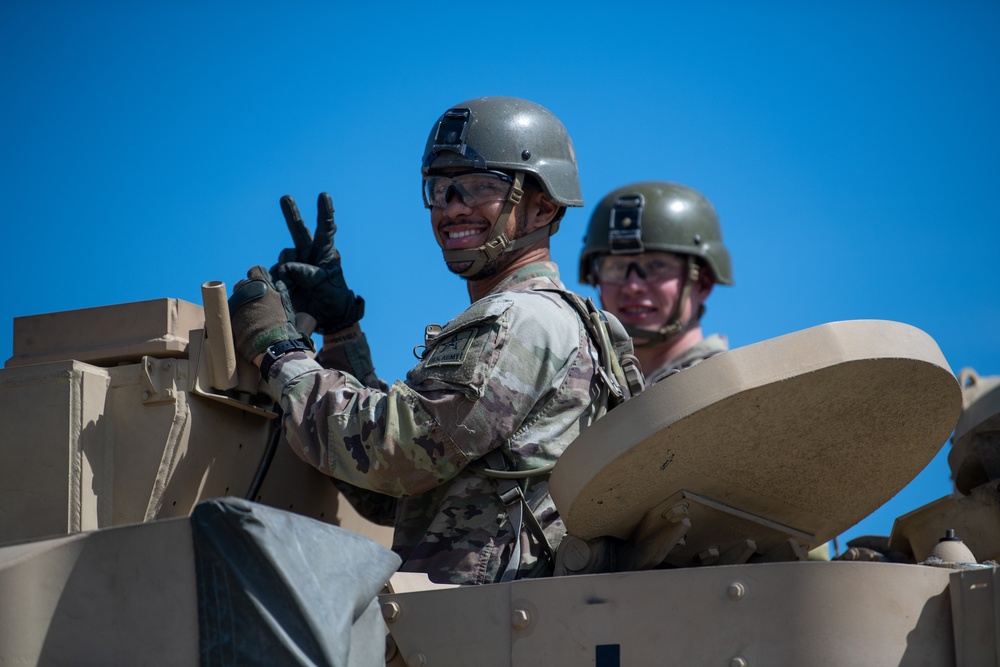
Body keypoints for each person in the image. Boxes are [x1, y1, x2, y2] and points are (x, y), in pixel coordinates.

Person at [227, 96, 639, 586]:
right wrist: (341, 333)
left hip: (485, 626)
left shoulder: (517, 319)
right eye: (440, 188)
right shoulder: (559, 319)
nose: (451, 207)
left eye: (480, 187)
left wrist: (280, 355)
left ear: (542, 205)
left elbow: (396, 452)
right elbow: (395, 491)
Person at [579, 181, 734, 386]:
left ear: (703, 283)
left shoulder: (726, 386)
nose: (633, 287)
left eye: (657, 266)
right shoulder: (583, 389)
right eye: (616, 268)